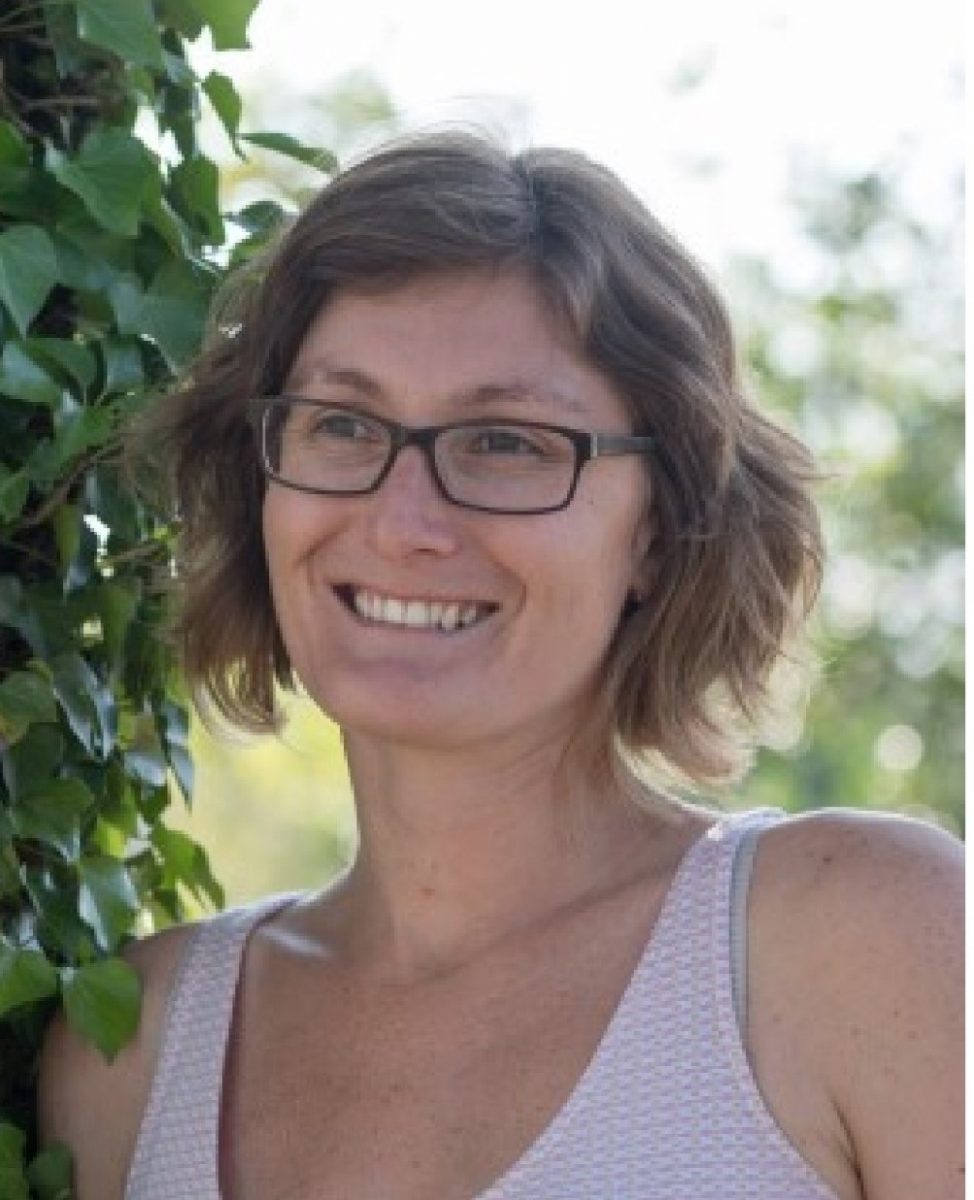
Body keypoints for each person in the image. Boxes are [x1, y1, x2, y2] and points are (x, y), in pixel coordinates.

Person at [38, 131, 962, 1200]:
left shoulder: (863, 939)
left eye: (507, 442)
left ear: (659, 530)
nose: (402, 523)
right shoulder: (134, 1051)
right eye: (342, 423)